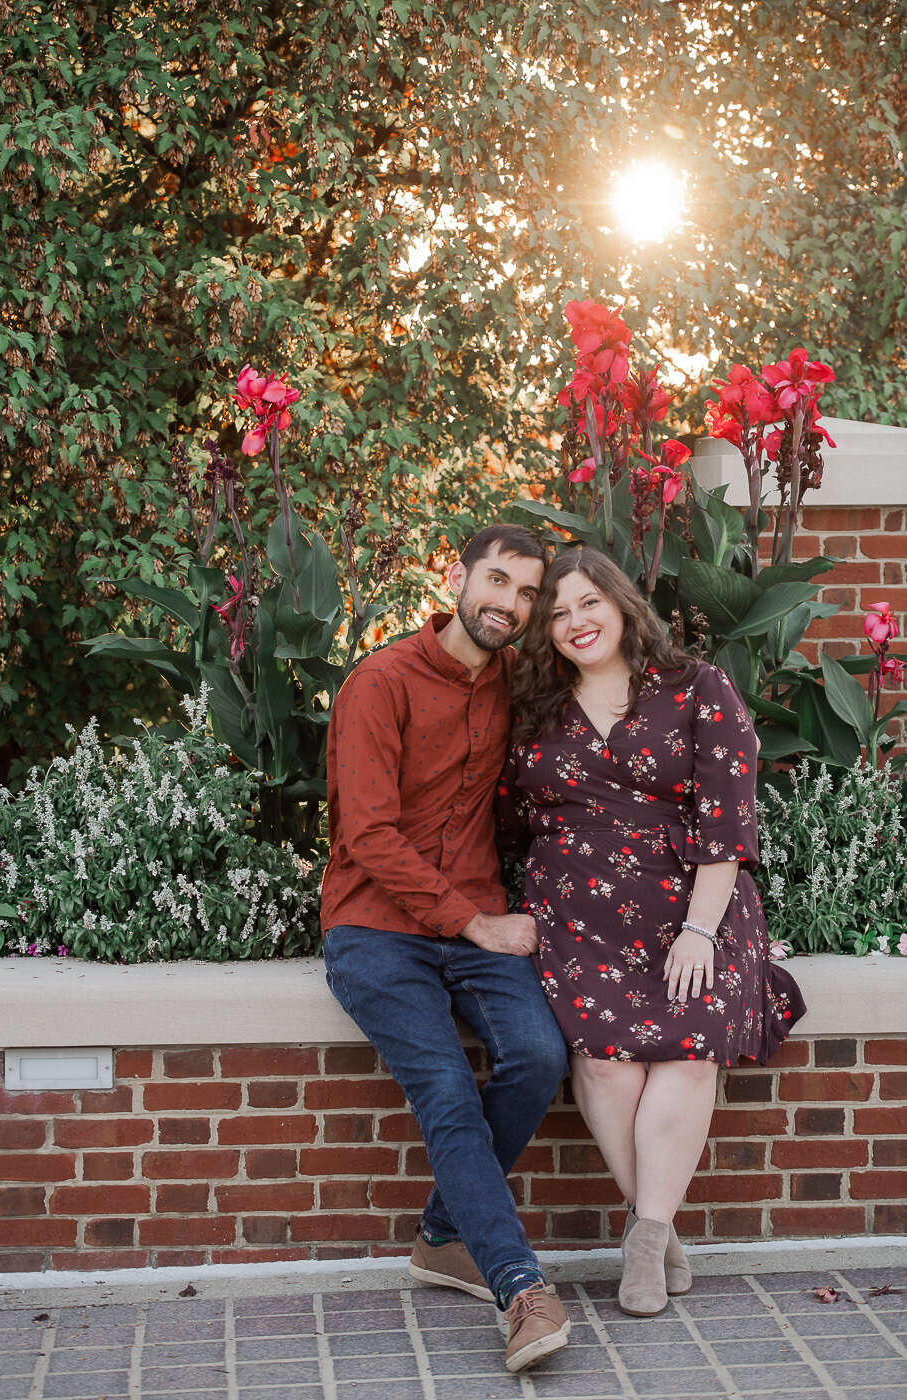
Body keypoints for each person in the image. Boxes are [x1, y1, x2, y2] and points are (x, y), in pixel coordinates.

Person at [497, 546, 806, 1317]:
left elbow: (727, 820)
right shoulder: (534, 706)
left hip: (690, 910)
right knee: (603, 1066)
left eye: (587, 604)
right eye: (557, 613)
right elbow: (507, 816)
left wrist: (700, 933)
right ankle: (657, 1229)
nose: (574, 623)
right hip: (576, 919)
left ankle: (642, 1241)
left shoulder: (696, 687)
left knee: (687, 1052)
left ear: (620, 603)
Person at [320, 525, 572, 1373]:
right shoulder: (380, 682)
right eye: (497, 582)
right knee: (446, 1088)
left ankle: (441, 1232)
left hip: (475, 923)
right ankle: (518, 1289)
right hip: (376, 929)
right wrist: (472, 923)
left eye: (527, 593)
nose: (509, 604)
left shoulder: (517, 685)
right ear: (456, 576)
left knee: (537, 1057)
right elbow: (368, 835)